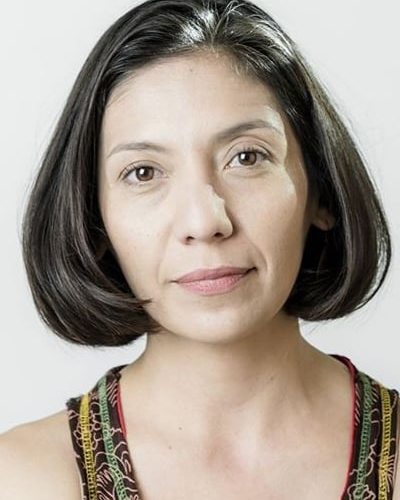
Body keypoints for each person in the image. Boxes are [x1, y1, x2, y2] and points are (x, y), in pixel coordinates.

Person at [0, 0, 398, 498]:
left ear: (321, 190)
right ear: (93, 218)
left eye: (246, 157)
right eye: (143, 172)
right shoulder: (21, 480)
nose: (205, 222)